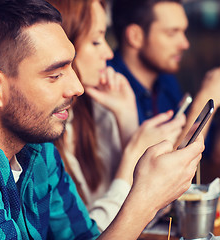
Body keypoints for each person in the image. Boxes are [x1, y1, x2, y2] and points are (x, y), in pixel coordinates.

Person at [0, 0, 204, 238]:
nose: (77, 87)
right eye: (55, 74)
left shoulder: (35, 146)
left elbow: (86, 237)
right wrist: (145, 198)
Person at [47, 0, 186, 231]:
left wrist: (127, 117)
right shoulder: (43, 129)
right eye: (95, 41)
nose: (108, 52)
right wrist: (132, 158)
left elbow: (149, 213)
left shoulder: (94, 110)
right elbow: (94, 233)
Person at [109, 0, 220, 160]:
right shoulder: (108, 86)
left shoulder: (165, 80)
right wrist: (206, 98)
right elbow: (158, 175)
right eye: (172, 33)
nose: (185, 44)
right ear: (135, 36)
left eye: (183, 32)